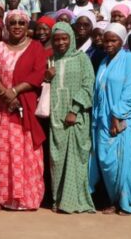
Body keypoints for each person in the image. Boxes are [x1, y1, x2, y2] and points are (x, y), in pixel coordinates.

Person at [0, 10, 47, 210]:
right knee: (3, 154)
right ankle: (3, 197)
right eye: (12, 22)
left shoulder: (36, 47)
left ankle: (26, 198)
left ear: (27, 25)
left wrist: (15, 91)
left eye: (21, 23)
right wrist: (6, 94)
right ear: (6, 25)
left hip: (25, 109)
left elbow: (38, 74)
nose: (17, 26)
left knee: (26, 153)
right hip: (3, 109)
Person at [89, 23, 131, 215]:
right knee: (106, 162)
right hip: (102, 119)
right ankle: (113, 199)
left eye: (114, 40)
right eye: (106, 40)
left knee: (122, 162)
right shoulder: (104, 61)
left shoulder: (129, 58)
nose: (109, 44)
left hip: (120, 120)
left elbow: (130, 90)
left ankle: (126, 203)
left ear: (122, 41)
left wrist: (117, 115)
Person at [46, 22, 96, 214]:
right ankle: (58, 200)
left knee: (76, 160)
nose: (60, 42)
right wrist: (46, 76)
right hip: (56, 119)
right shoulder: (51, 60)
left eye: (64, 38)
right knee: (57, 161)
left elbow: (88, 85)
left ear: (71, 38)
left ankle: (74, 202)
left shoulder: (82, 58)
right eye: (57, 39)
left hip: (76, 118)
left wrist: (74, 110)